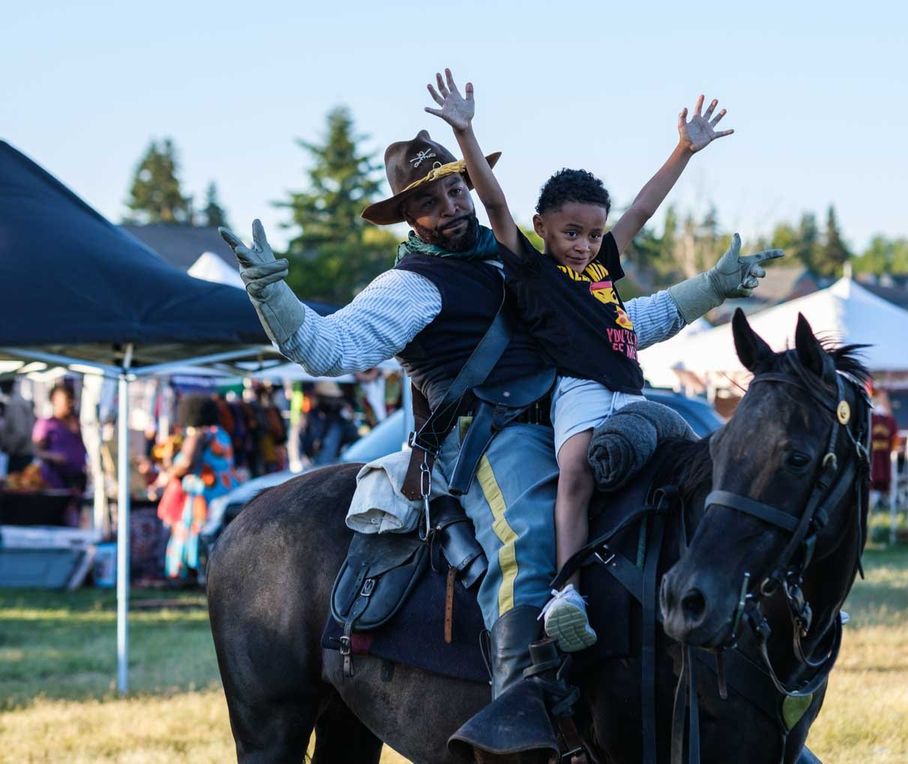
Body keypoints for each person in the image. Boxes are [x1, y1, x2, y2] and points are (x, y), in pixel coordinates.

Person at [219, 88, 777, 755]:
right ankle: (521, 709)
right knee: (532, 531)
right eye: (429, 201)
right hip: (488, 438)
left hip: (570, 413)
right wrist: (271, 294)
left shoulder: (523, 259)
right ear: (409, 217)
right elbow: (326, 348)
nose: (450, 207)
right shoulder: (411, 286)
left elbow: (615, 328)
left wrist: (712, 286)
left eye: (455, 190)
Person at [425, 68, 764, 651]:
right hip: (578, 391)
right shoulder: (533, 271)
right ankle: (567, 592)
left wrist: (683, 149)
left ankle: (737, 582)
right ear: (543, 230)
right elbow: (494, 200)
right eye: (571, 233)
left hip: (633, 392)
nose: (583, 245)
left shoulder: (602, 264)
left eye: (592, 234)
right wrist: (465, 134)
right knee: (576, 474)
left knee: (697, 467)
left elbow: (642, 210)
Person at [158, 395, 240, 581]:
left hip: (203, 496)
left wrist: (168, 473)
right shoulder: (222, 434)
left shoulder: (199, 435)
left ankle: (190, 574)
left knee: (197, 534)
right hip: (226, 491)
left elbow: (186, 462)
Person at [32, 383, 88, 492]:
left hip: (78, 476)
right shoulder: (46, 424)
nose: (70, 403)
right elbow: (36, 450)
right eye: (66, 399)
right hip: (57, 479)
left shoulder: (76, 422)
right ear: (54, 400)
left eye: (71, 399)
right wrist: (53, 456)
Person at [0, 378, 35, 474]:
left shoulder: (15, 403)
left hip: (20, 454)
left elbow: (20, 432)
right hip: (21, 453)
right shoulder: (16, 400)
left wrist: (10, 448)